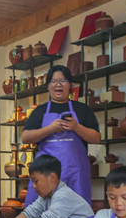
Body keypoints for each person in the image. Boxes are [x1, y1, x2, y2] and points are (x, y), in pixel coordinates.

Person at [22, 65, 100, 206]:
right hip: (46, 175)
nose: (58, 85)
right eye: (54, 81)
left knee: (76, 216)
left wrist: (76, 127)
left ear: (69, 85)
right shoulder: (40, 111)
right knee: (40, 216)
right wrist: (50, 129)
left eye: (63, 81)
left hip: (75, 174)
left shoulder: (82, 110)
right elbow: (26, 137)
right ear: (48, 86)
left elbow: (96, 138)